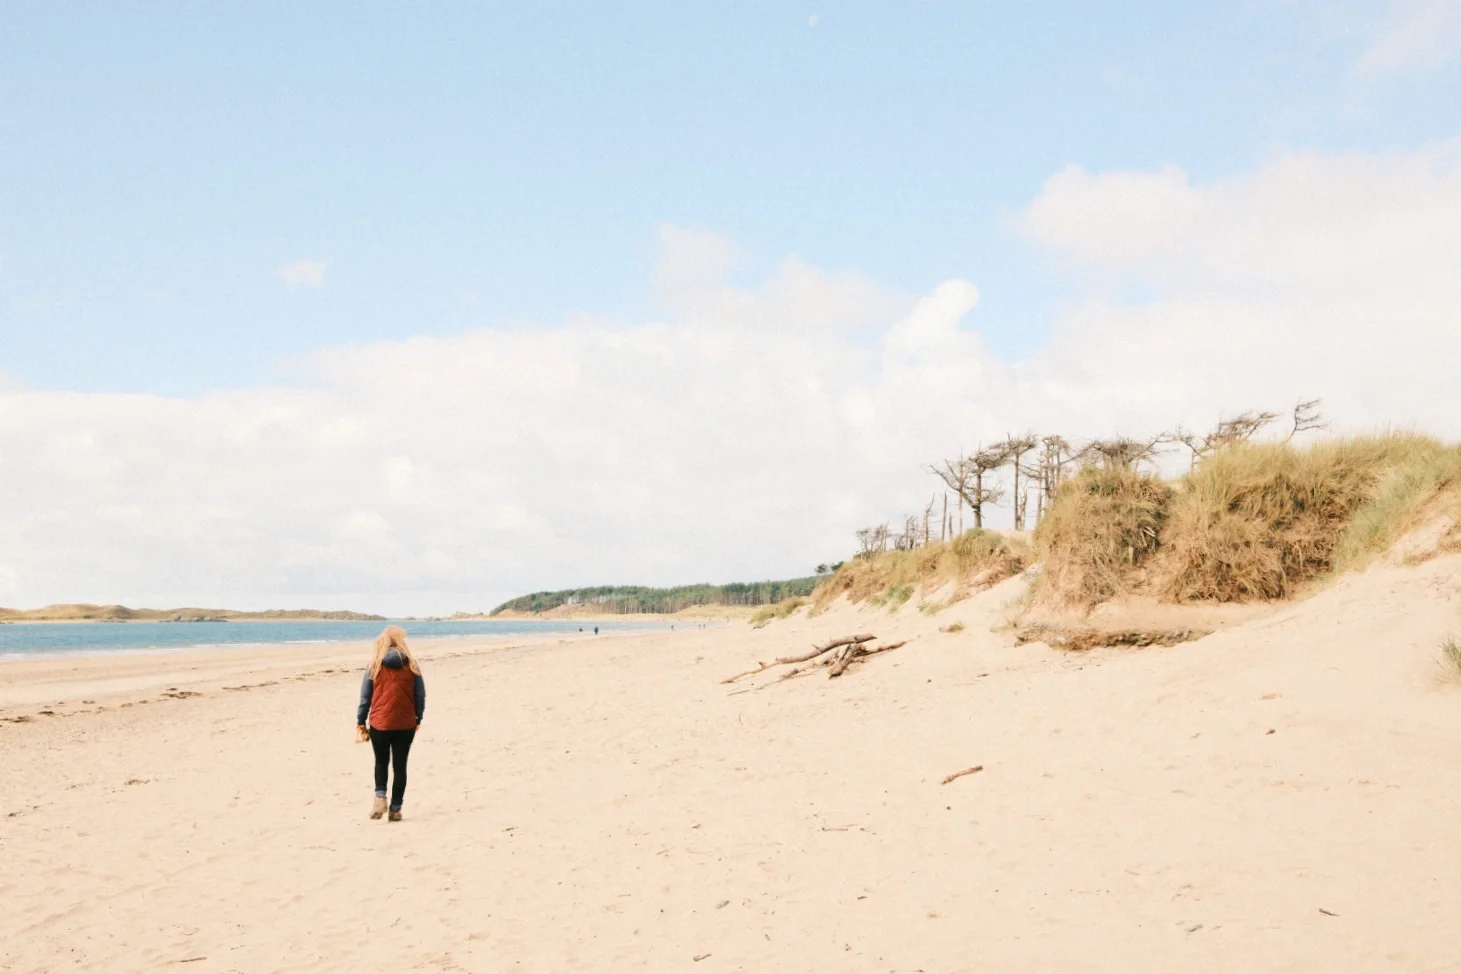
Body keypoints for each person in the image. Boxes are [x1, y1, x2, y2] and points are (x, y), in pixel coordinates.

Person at [356, 625, 425, 821]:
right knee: (400, 766)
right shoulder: (412, 665)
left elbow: (365, 698)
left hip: (380, 723)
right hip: (406, 723)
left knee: (380, 762)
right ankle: (395, 810)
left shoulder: (375, 665)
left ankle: (379, 800)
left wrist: (360, 721)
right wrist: (418, 718)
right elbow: (420, 696)